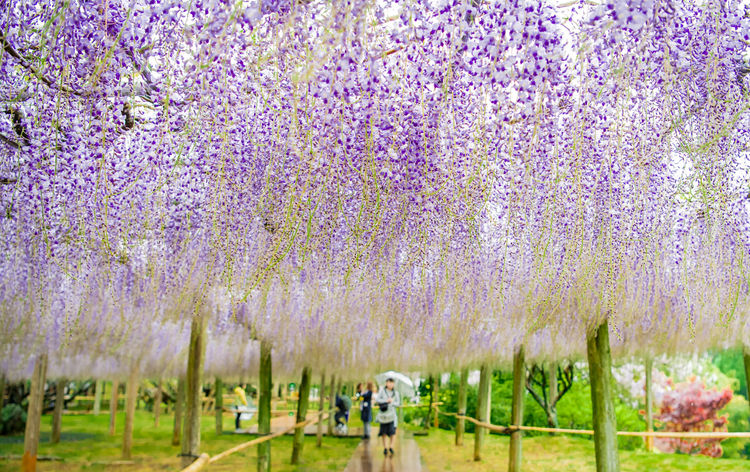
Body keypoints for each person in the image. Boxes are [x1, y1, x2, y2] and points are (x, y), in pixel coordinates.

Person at [375, 378, 400, 456]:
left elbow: (398, 403)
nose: (390, 384)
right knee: (384, 432)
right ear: (386, 383)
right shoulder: (382, 391)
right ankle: (385, 447)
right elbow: (377, 400)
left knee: (393, 432)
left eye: (391, 383)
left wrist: (392, 402)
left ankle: (391, 447)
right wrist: (386, 401)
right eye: (388, 383)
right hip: (383, 415)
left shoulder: (396, 393)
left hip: (392, 415)